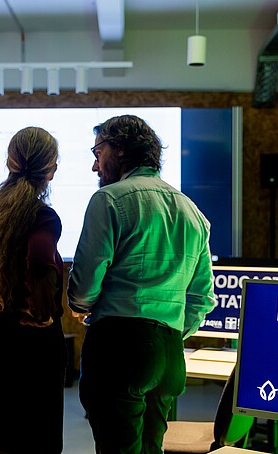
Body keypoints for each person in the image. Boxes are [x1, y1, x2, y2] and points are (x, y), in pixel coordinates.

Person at [67, 115, 216, 454]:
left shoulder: (109, 199)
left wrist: (80, 305)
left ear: (119, 150)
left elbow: (86, 283)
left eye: (98, 152)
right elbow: (202, 297)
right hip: (170, 354)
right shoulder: (192, 211)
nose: (94, 165)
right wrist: (168, 330)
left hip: (119, 348)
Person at [0, 126, 66, 454]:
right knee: (35, 441)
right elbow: (40, 259)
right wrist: (41, 311)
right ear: (51, 169)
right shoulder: (42, 217)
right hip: (33, 347)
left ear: (9, 162)